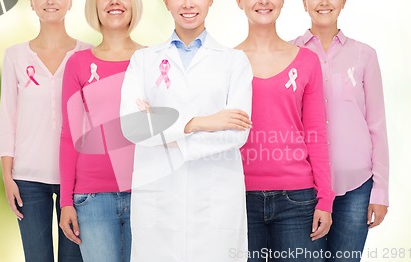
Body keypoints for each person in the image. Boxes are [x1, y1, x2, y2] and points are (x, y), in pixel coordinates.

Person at [119, 0, 253, 261]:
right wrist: (200, 123)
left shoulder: (234, 61)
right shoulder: (143, 60)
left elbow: (237, 132)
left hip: (214, 200)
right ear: (167, 3)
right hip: (159, 199)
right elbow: (133, 126)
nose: (188, 4)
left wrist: (162, 131)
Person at [235, 0, 335, 261]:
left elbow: (316, 134)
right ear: (239, 3)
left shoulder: (307, 62)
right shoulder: (227, 63)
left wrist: (325, 199)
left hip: (298, 201)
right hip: (238, 197)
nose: (264, 2)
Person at [291, 0, 389, 261]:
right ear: (303, 3)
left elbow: (376, 124)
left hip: (356, 187)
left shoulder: (364, 55)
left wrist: (380, 192)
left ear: (344, 2)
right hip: (304, 189)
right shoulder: (289, 53)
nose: (323, 3)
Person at [0, 0, 90, 261]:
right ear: (31, 4)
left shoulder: (88, 54)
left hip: (77, 178)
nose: (51, 2)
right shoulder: (15, 56)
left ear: (70, 3)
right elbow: (7, 117)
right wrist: (7, 176)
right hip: (27, 179)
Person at [58, 0, 143, 261]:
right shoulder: (78, 63)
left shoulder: (152, 59)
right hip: (92, 198)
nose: (115, 2)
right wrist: (65, 202)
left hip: (145, 193)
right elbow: (68, 134)